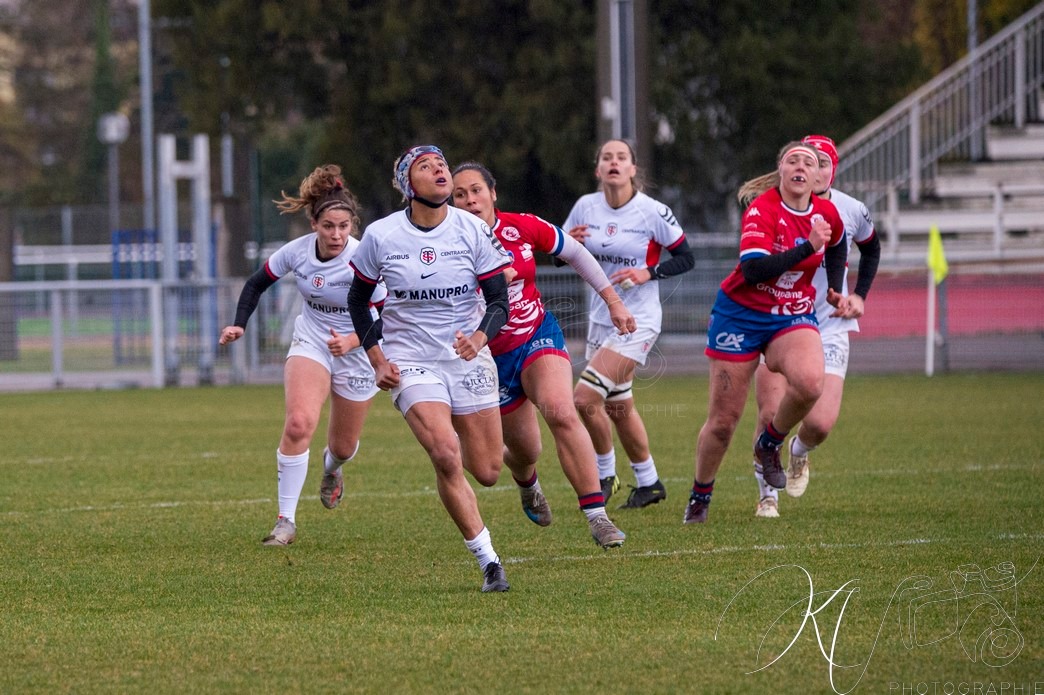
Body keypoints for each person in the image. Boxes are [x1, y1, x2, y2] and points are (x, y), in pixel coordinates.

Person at [346, 145, 514, 593]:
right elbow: (358, 301)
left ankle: (500, 448)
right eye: (426, 166)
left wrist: (479, 337)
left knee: (489, 470)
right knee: (444, 451)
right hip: (411, 362)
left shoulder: (472, 230)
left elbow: (499, 300)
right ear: (407, 185)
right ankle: (489, 561)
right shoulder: (382, 236)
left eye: (441, 163)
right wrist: (377, 359)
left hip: (467, 356)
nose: (440, 169)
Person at [451, 161, 637, 549]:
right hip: (486, 356)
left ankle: (597, 516)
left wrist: (614, 302)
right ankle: (528, 483)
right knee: (524, 451)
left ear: (493, 193)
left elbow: (577, 254)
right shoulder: (447, 243)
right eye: (460, 195)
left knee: (560, 409)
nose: (470, 200)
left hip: (536, 334)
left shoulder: (521, 226)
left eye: (476, 190)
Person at [683, 141, 850, 525]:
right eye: (792, 160)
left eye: (809, 162)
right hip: (740, 316)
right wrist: (809, 246)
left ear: (817, 176)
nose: (800, 166)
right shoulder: (764, 209)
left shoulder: (826, 211)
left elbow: (837, 242)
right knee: (723, 423)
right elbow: (755, 270)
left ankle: (769, 442)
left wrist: (835, 287)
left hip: (789, 313)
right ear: (780, 170)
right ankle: (700, 494)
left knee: (810, 383)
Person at [219, 164, 384, 546]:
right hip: (311, 341)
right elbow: (256, 283)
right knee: (297, 423)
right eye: (329, 226)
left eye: (344, 227)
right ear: (314, 223)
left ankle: (333, 468)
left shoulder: (365, 259)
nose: (337, 235)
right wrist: (240, 323)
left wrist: (354, 341)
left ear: (353, 226)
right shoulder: (297, 252)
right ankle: (285, 521)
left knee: (343, 446)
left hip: (358, 352)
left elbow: (389, 316)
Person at [750, 135, 881, 518]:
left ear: (832, 169)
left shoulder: (850, 209)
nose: (814, 169)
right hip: (777, 319)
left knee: (820, 423)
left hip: (829, 325)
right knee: (768, 410)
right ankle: (766, 496)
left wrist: (859, 296)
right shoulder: (773, 206)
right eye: (807, 161)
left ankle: (798, 453)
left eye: (823, 163)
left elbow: (871, 248)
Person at [563, 139, 695, 509]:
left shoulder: (652, 212)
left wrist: (647, 273)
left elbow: (686, 258)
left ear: (634, 169)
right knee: (619, 406)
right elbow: (562, 254)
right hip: (599, 320)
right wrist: (565, 247)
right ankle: (649, 482)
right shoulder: (584, 207)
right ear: (598, 169)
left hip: (638, 322)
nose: (614, 162)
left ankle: (605, 474)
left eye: (622, 157)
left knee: (584, 398)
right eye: (607, 157)